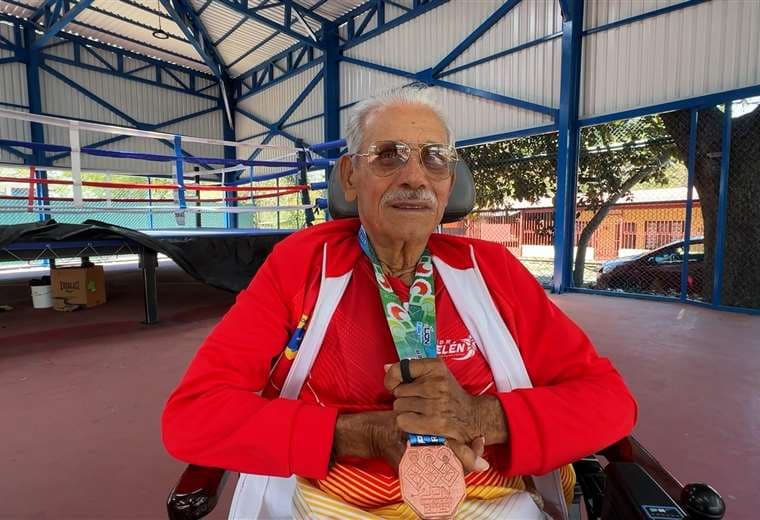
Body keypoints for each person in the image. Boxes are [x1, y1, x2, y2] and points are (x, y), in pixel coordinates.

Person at [162, 88, 637, 519]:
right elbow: (193, 417)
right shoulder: (302, 265)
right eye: (388, 156)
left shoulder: (492, 270)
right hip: (333, 504)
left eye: (435, 159)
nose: (414, 177)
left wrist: (480, 416)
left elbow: (609, 401)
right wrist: (359, 433)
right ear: (350, 176)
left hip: (491, 500)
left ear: (450, 181)